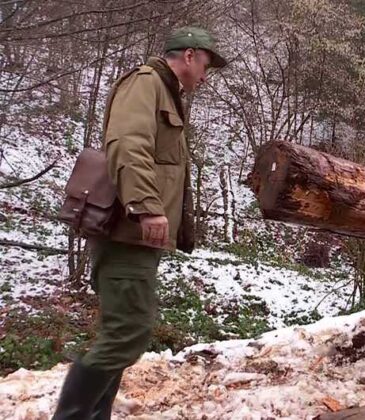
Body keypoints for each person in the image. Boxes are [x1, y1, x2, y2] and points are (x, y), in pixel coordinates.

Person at [52, 27, 226, 420]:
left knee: (123, 332)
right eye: (206, 64)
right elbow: (127, 145)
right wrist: (147, 206)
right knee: (128, 332)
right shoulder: (145, 84)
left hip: (136, 236)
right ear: (188, 56)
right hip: (128, 233)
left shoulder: (165, 93)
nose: (206, 74)